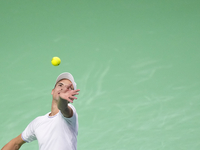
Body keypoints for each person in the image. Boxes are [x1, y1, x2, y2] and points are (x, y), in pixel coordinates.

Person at [1, 72, 80, 150]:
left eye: (69, 88)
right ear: (52, 91)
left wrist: (62, 99)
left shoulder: (70, 111)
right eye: (60, 85)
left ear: (72, 96)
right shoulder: (38, 122)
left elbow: (64, 108)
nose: (63, 88)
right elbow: (15, 143)